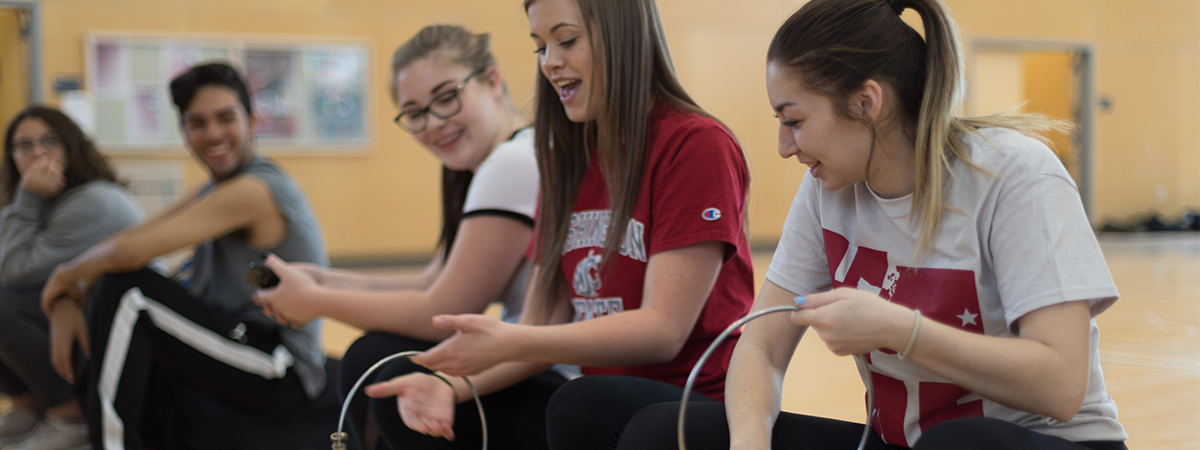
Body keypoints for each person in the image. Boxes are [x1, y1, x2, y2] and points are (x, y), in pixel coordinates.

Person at [614, 1, 1129, 449]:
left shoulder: (1014, 175)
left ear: (866, 102)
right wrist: (750, 443)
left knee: (959, 443)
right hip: (899, 442)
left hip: (1042, 442)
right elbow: (761, 344)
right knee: (653, 428)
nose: (783, 146)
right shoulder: (827, 190)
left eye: (793, 121)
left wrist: (899, 331)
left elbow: (1061, 386)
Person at [360, 0, 755, 449]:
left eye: (566, 41)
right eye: (540, 47)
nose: (551, 63)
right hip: (599, 405)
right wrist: (448, 387)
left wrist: (511, 341)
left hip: (692, 406)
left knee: (581, 402)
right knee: (402, 383)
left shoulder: (696, 144)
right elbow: (543, 322)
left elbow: (662, 331)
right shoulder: (566, 157)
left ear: (621, 35)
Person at [250, 24, 553, 450]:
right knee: (376, 357)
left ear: (492, 80)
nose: (433, 123)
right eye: (415, 113)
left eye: (446, 98)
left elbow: (448, 307)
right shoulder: (485, 165)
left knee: (378, 363)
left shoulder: (512, 163)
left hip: (547, 373)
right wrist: (323, 279)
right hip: (529, 365)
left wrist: (317, 302)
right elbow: (431, 281)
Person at [40, 62, 329, 450]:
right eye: (198, 123)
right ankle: (67, 415)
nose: (213, 133)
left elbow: (128, 253)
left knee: (130, 294)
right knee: (115, 288)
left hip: (279, 364)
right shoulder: (216, 187)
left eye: (225, 118)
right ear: (184, 132)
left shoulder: (256, 190)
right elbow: (135, 236)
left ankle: (105, 441)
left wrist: (61, 277)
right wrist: (70, 294)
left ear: (253, 121)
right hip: (236, 337)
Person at [0, 106, 141, 449]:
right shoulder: (44, 203)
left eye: (49, 141)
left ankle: (71, 417)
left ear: (72, 146)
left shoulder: (95, 200)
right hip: (83, 316)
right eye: (23, 146)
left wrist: (28, 197)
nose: (37, 153)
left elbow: (15, 270)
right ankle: (29, 407)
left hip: (128, 336)